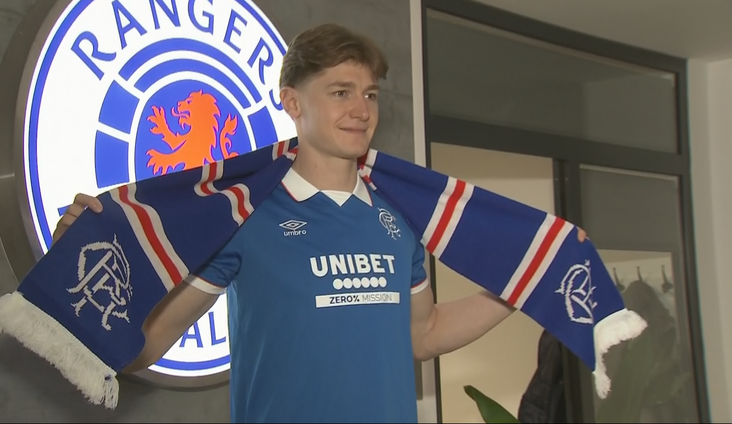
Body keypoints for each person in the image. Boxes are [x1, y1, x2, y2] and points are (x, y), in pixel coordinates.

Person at [54, 23, 587, 423]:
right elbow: (151, 342)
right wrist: (84, 268)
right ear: (292, 102)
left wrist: (526, 281)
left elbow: (422, 333)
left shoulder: (397, 214)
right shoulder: (246, 214)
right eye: (340, 92)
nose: (361, 109)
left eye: (370, 93)